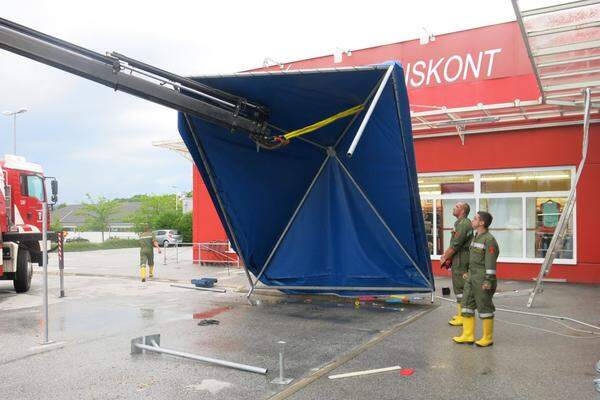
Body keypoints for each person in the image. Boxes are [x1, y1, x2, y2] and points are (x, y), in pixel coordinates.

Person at [453, 211, 499, 347]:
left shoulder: (489, 239)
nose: (472, 221)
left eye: (475, 219)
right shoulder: (475, 237)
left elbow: (490, 264)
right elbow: (472, 258)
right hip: (471, 277)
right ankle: (468, 335)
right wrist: (468, 272)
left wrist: (488, 281)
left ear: (482, 223)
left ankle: (487, 338)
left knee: (485, 307)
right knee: (466, 305)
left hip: (482, 279)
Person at [439, 202, 473, 326]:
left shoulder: (463, 224)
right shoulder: (459, 223)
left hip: (461, 259)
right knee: (458, 287)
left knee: (460, 287)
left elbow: (456, 245)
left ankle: (463, 317)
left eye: (457, 207)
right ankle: (460, 314)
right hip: (458, 257)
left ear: (463, 211)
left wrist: (444, 257)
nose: (454, 208)